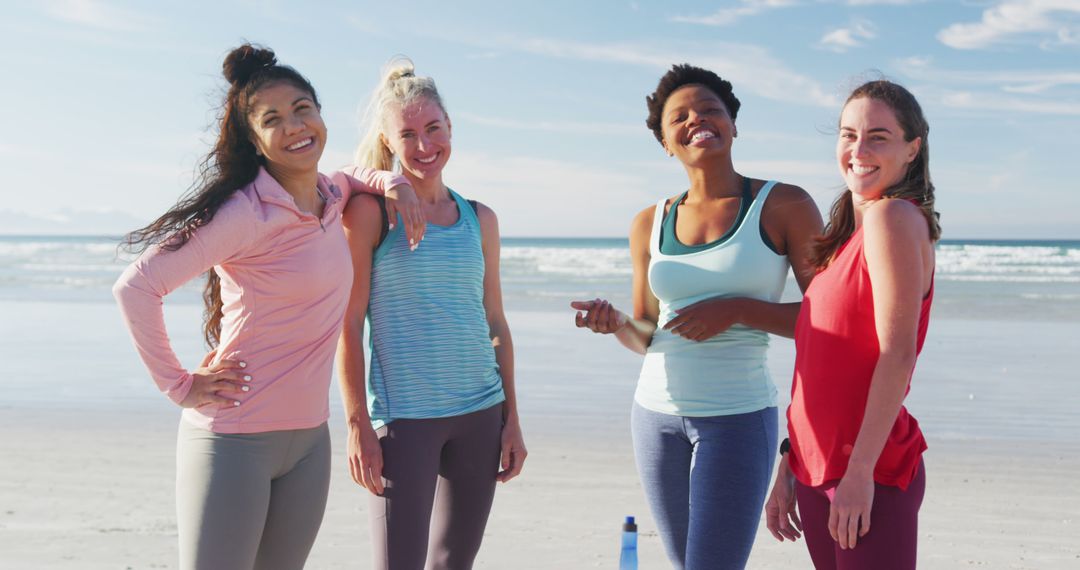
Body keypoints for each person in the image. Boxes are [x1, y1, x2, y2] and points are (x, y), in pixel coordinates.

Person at [112, 44, 425, 570]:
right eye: (272, 119)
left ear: (321, 114)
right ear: (255, 142)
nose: (295, 126)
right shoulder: (243, 213)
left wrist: (394, 182)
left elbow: (354, 175)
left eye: (303, 108)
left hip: (308, 443)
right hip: (234, 441)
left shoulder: (330, 195)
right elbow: (136, 288)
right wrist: (180, 385)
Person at [571, 64, 823, 569]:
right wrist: (617, 322)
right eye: (679, 117)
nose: (697, 120)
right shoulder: (649, 221)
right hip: (654, 417)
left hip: (738, 417)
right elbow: (646, 331)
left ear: (733, 123)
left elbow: (828, 322)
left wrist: (739, 310)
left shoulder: (784, 205)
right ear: (665, 142)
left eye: (710, 110)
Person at [335, 58, 527, 570]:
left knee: (453, 564)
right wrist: (357, 425)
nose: (424, 146)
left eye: (434, 129)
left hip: (481, 414)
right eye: (409, 134)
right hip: (404, 421)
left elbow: (495, 323)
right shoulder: (369, 213)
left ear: (450, 129)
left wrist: (512, 419)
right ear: (389, 141)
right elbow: (347, 324)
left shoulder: (480, 218)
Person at [764, 79, 939, 570]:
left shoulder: (892, 218)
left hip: (869, 471)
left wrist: (859, 472)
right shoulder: (845, 240)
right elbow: (821, 366)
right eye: (847, 135)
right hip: (819, 469)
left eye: (878, 137)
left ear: (912, 149)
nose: (858, 150)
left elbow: (897, 353)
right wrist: (791, 464)